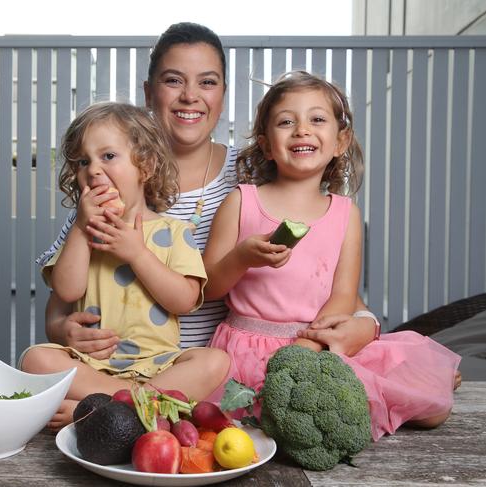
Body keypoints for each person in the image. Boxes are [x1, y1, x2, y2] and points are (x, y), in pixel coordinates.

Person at [31, 22, 380, 370]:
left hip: (221, 368)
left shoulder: (252, 179)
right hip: (114, 362)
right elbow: (59, 306)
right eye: (173, 80)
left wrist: (366, 323)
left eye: (207, 82)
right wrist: (63, 330)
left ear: (223, 94)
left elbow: (316, 274)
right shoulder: (107, 185)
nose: (190, 95)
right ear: (149, 92)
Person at [203, 71, 461, 440]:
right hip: (246, 348)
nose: (302, 130)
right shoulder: (241, 202)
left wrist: (308, 347)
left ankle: (429, 383)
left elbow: (343, 295)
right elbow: (208, 288)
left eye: (317, 119)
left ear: (341, 142)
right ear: (265, 144)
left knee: (432, 408)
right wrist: (242, 258)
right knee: (252, 424)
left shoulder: (346, 213)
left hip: (320, 342)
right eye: (286, 121)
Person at [20, 101, 230, 428]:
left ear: (144, 167)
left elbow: (185, 300)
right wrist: (79, 228)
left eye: (108, 156)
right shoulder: (82, 234)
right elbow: (66, 289)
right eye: (83, 161)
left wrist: (137, 254)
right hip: (94, 364)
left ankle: (106, 406)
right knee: (34, 359)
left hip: (159, 366)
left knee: (215, 361)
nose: (93, 169)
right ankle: (136, 403)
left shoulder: (174, 233)